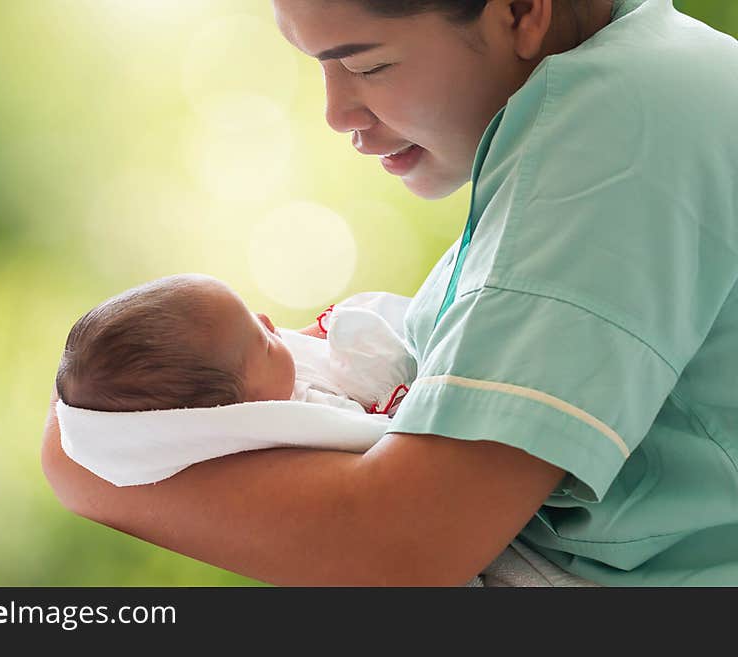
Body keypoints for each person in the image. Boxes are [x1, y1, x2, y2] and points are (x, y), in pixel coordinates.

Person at [41, 0, 738, 585]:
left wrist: (86, 455)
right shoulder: (604, 108)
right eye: (318, 65)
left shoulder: (624, 124)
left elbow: (407, 539)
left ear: (523, 8)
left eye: (367, 64)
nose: (336, 112)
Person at [55, 272, 415, 415]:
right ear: (250, 404)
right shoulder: (304, 418)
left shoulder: (264, 375)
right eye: (265, 342)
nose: (268, 322)